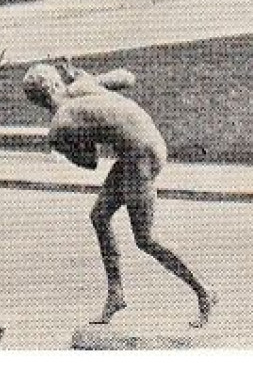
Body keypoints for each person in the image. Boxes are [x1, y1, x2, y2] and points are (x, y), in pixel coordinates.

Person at [22, 62, 215, 329]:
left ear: (35, 101)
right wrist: (89, 80)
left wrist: (73, 142)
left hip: (141, 157)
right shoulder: (82, 85)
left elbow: (91, 162)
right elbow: (127, 77)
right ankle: (116, 294)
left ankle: (203, 291)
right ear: (57, 82)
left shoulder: (59, 127)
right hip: (145, 144)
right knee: (99, 216)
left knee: (145, 239)